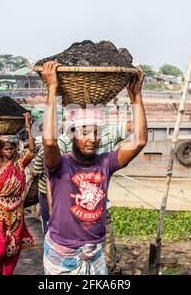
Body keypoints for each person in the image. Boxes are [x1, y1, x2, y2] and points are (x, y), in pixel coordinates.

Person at [41, 61, 147, 275]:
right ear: (73, 135)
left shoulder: (105, 163)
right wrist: (52, 89)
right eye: (85, 133)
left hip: (94, 252)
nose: (92, 139)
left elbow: (140, 141)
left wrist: (136, 97)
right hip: (63, 255)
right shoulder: (60, 165)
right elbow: (50, 142)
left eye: (96, 133)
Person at [56, 110, 133, 273]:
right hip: (74, 214)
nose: (92, 139)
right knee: (80, 260)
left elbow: (136, 133)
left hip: (96, 211)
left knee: (105, 260)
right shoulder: (65, 141)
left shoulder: (105, 136)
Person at [0, 111, 36, 275]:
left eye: (12, 149)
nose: (10, 152)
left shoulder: (20, 164)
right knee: (1, 246)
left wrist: (28, 126)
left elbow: (32, 151)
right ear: (1, 150)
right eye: (6, 149)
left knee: (15, 247)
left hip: (17, 212)